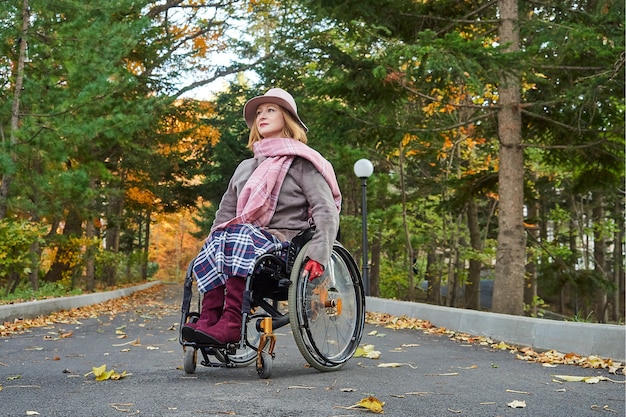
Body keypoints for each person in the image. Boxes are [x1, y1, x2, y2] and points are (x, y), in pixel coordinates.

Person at [182, 88, 341, 345]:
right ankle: (209, 320)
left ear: (287, 118)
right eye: (258, 113)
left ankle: (231, 323)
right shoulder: (246, 167)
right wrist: (213, 242)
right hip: (241, 242)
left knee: (237, 234)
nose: (262, 116)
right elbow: (225, 214)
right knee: (219, 237)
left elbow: (325, 209)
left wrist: (319, 254)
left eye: (270, 110)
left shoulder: (302, 163)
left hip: (283, 246)